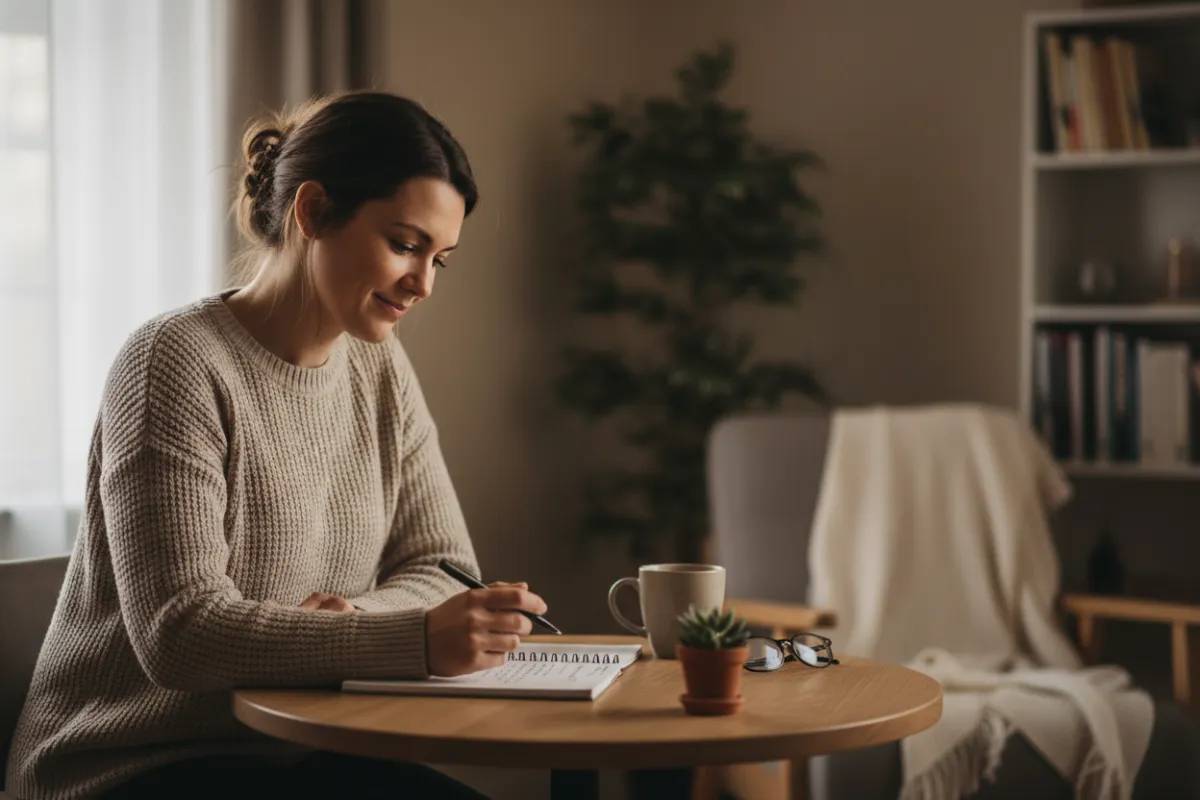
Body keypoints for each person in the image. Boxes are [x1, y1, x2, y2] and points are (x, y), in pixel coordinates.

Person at [6, 91, 548, 800]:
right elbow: (181, 635)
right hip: (130, 764)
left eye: (440, 259)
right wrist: (410, 640)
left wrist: (351, 622)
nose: (422, 284)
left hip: (294, 753)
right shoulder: (173, 362)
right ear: (314, 211)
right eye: (405, 244)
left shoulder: (378, 367)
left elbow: (444, 570)